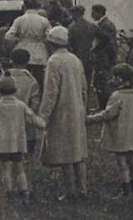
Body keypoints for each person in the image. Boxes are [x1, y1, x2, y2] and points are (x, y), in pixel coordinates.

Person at [38, 26, 89, 201]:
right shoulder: (75, 60)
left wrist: (43, 115)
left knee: (65, 151)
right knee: (78, 150)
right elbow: (84, 87)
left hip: (61, 110)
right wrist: (84, 107)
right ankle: (83, 189)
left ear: (51, 43)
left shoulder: (53, 61)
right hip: (77, 108)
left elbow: (50, 92)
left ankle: (71, 191)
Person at [85, 63, 133, 198]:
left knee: (122, 162)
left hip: (121, 135)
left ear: (120, 80)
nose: (111, 79)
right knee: (131, 160)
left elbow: (108, 114)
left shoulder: (117, 96)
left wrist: (88, 119)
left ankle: (126, 189)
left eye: (114, 77)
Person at [0, 72, 47, 202]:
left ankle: (10, 192)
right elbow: (32, 118)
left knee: (6, 168)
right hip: (17, 142)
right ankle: (24, 190)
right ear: (15, 90)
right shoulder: (21, 105)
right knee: (19, 167)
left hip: (2, 143)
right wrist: (44, 124)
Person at [4, 48, 41, 165]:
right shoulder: (31, 81)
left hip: (8, 118)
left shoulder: (4, 78)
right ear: (27, 61)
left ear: (11, 61)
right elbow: (35, 102)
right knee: (28, 144)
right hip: (26, 119)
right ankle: (27, 163)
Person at [5, 0, 51, 92]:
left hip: (23, 51)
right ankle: (39, 99)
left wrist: (19, 39)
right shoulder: (44, 20)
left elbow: (8, 36)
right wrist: (42, 40)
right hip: (40, 53)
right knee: (39, 80)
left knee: (24, 78)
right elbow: (50, 36)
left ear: (25, 7)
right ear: (37, 7)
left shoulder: (19, 20)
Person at [90, 4, 117, 111]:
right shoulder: (104, 24)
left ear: (100, 13)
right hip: (104, 57)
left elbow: (107, 43)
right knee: (100, 82)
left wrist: (95, 50)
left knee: (102, 82)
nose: (92, 15)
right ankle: (102, 106)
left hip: (104, 58)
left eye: (93, 12)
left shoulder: (106, 25)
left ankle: (105, 107)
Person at [67, 5, 97, 90]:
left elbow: (69, 43)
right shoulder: (92, 26)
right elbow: (104, 39)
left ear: (76, 14)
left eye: (72, 14)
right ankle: (86, 98)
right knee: (87, 78)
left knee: (76, 81)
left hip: (77, 56)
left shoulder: (72, 27)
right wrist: (96, 48)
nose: (71, 17)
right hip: (89, 55)